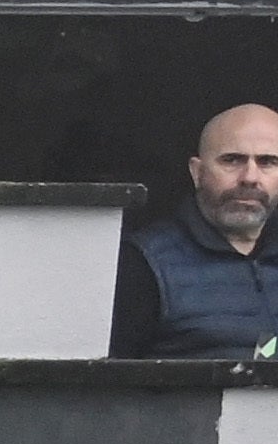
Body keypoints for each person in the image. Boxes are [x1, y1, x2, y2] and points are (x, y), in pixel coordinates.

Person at [115, 100, 278, 358]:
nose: (250, 177)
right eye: (232, 160)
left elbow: (268, 349)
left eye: (267, 162)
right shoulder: (143, 264)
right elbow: (109, 388)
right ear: (197, 172)